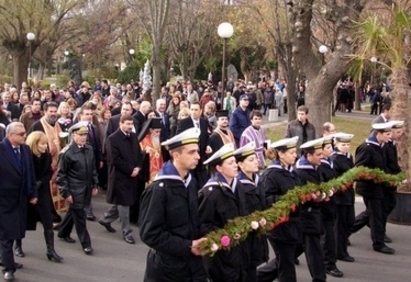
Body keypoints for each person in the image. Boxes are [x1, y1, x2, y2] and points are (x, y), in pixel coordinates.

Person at [138, 128, 208, 282]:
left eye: (197, 151)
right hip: (167, 270)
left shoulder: (190, 182)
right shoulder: (159, 189)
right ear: (176, 155)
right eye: (192, 152)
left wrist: (208, 236)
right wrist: (188, 245)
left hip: (193, 267)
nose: (198, 156)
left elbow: (193, 220)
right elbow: (149, 233)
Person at [198, 143, 248, 282]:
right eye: (230, 163)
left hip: (238, 252)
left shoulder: (238, 186)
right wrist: (224, 236)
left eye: (235, 162)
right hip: (220, 256)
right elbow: (203, 225)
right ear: (219, 168)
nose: (235, 165)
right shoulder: (210, 193)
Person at [257, 136, 300, 282]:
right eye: (292, 152)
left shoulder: (291, 171)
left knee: (284, 261)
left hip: (291, 224)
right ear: (281, 154)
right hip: (278, 226)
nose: (295, 155)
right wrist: (287, 200)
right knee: (287, 265)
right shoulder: (271, 174)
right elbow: (266, 200)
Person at [0, 122, 37, 281]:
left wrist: (33, 192)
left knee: (17, 231)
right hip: (4, 201)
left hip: (21, 199)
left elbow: (29, 172)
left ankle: (7, 259)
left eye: (25, 133)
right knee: (6, 235)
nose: (25, 136)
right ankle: (8, 268)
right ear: (10, 136)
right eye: (21, 134)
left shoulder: (25, 149)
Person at [351, 122, 394, 254]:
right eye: (387, 134)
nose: (390, 136)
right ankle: (378, 243)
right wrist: (372, 176)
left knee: (372, 214)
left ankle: (344, 231)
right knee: (375, 215)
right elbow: (358, 170)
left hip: (378, 187)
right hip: (369, 188)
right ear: (378, 134)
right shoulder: (367, 148)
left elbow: (383, 165)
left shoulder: (381, 146)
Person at [99, 114, 143, 244]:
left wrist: (138, 167)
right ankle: (126, 232)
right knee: (125, 204)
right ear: (121, 123)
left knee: (122, 202)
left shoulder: (134, 136)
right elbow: (115, 160)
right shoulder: (113, 139)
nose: (130, 126)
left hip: (133, 175)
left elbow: (139, 154)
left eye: (131, 124)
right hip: (119, 177)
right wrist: (131, 170)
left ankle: (105, 219)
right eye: (128, 124)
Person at [56, 122, 99, 255]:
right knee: (80, 216)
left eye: (85, 134)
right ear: (73, 135)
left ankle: (63, 232)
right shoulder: (66, 153)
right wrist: (66, 193)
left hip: (86, 187)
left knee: (73, 212)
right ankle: (86, 244)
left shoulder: (89, 149)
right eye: (80, 135)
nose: (83, 137)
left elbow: (92, 169)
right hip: (74, 189)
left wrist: (95, 184)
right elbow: (61, 176)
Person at [23, 131, 64, 262]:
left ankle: (50, 250)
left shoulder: (46, 156)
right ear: (35, 144)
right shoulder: (26, 156)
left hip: (43, 192)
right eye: (43, 144)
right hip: (27, 192)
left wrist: (41, 182)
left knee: (48, 222)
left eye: (46, 143)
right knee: (22, 221)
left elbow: (49, 172)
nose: (46, 146)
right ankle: (17, 246)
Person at [295, 138, 329, 282]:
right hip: (306, 216)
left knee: (291, 253)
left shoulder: (316, 167)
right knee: (314, 250)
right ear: (309, 156)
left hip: (314, 214)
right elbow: (301, 197)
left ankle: (265, 274)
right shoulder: (301, 172)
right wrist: (316, 197)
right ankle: (319, 278)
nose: (322, 157)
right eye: (318, 154)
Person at [234, 142, 268, 282]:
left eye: (256, 158)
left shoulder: (258, 180)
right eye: (251, 160)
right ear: (241, 165)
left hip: (258, 233)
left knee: (253, 268)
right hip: (246, 236)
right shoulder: (239, 184)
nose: (256, 162)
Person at [28, 102, 66, 220]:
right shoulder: (37, 125)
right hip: (42, 163)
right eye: (51, 111)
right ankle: (48, 215)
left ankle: (54, 213)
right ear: (45, 112)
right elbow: (31, 144)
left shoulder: (59, 125)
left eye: (55, 111)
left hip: (58, 163)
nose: (53, 114)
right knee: (45, 190)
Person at [319, 135, 343, 278]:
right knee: (327, 237)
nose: (331, 150)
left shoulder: (330, 162)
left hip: (331, 205)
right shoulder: (321, 165)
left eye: (331, 147)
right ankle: (329, 264)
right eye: (328, 148)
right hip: (323, 207)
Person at [331, 133, 355, 262]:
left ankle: (342, 248)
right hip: (340, 196)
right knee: (340, 226)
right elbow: (335, 179)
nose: (346, 147)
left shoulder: (349, 156)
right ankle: (339, 252)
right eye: (343, 144)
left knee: (349, 222)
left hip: (349, 194)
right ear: (337, 144)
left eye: (347, 144)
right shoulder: (335, 158)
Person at [176, 102, 212, 187]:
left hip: (201, 159)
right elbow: (179, 139)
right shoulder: (183, 123)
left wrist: (208, 145)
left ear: (200, 111)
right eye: (192, 109)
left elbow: (206, 137)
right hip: (189, 157)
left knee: (203, 182)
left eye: (196, 110)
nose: (194, 112)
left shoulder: (204, 122)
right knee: (191, 183)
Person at [382, 121, 403, 242]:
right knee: (383, 208)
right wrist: (391, 177)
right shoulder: (386, 145)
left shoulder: (392, 144)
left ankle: (378, 227)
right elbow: (386, 164)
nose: (400, 134)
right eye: (398, 132)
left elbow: (394, 163)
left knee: (389, 205)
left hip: (392, 180)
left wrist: (399, 174)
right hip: (387, 181)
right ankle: (380, 231)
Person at [138, 118, 164, 184]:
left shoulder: (158, 139)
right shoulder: (144, 140)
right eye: (156, 131)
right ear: (150, 130)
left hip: (159, 168)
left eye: (159, 132)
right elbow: (139, 155)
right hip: (148, 170)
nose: (158, 134)